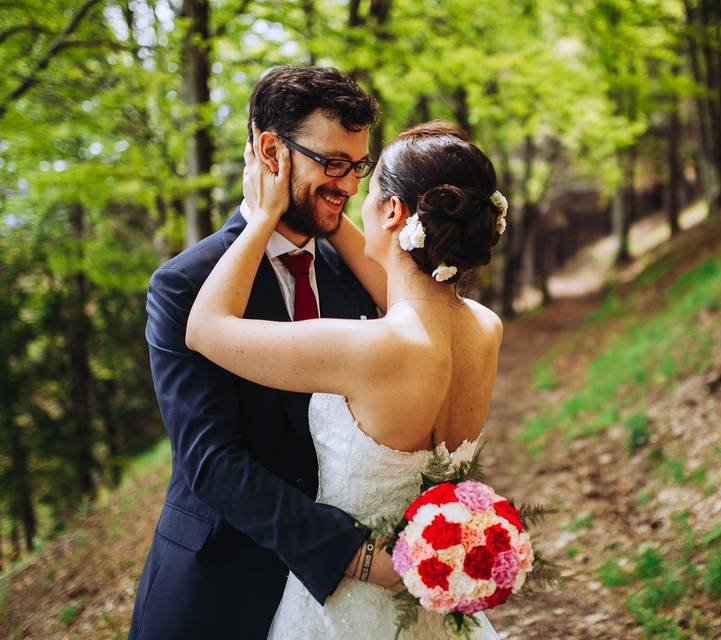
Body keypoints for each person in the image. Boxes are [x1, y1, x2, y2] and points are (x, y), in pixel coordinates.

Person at [184, 119, 506, 638]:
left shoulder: (370, 347)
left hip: (348, 606)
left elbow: (204, 328)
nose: (351, 192)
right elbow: (411, 285)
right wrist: (327, 213)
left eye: (367, 184)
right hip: (429, 601)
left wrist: (264, 216)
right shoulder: (484, 327)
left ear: (394, 212)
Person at [129, 65, 399, 640]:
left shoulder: (352, 272)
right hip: (220, 592)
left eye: (358, 166)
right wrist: (355, 557)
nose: (349, 185)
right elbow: (210, 463)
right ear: (272, 152)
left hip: (342, 612)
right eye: (332, 163)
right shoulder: (184, 285)